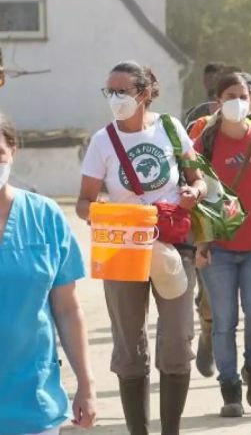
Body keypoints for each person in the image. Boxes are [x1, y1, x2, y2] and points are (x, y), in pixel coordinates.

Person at [0, 106, 96, 434]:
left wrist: (85, 383)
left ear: (13, 151)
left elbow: (67, 309)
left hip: (33, 400)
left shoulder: (46, 217)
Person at [77, 60, 207, 435]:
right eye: (110, 91)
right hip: (123, 251)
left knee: (177, 342)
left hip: (173, 246)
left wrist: (192, 193)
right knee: (129, 350)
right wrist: (107, 212)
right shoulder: (102, 141)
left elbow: (198, 178)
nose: (116, 98)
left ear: (145, 93)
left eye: (123, 91)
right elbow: (84, 202)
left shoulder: (170, 128)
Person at [188, 72, 251, 417]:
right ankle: (230, 389)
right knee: (223, 321)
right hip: (218, 249)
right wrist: (201, 243)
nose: (238, 101)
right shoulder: (204, 143)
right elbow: (195, 195)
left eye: (245, 95)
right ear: (218, 101)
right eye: (231, 95)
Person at [184, 61, 229, 128]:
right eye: (208, 79)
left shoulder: (231, 112)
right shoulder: (195, 113)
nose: (212, 82)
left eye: (216, 79)